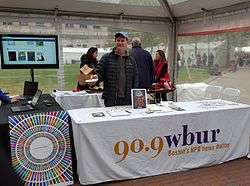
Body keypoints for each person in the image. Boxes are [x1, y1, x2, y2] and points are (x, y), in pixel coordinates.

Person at [95, 32, 139, 107]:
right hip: (111, 99)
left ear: (126, 42)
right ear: (115, 42)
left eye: (122, 40)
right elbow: (99, 73)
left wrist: (135, 95)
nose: (120, 43)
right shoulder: (106, 57)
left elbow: (136, 78)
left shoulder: (131, 60)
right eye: (118, 40)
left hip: (127, 99)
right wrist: (96, 78)